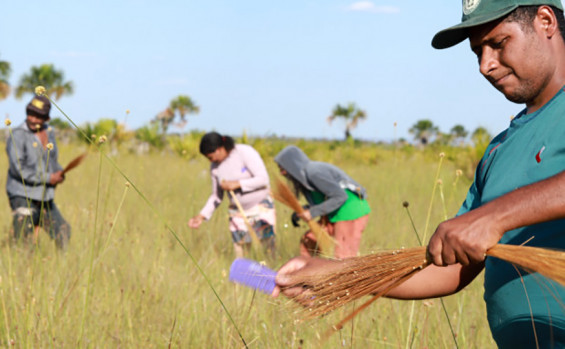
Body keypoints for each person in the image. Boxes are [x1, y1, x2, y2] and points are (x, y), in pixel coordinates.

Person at [273, 1, 565, 347]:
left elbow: (485, 224)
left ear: (545, 21)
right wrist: (342, 274)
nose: (486, 65)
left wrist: (494, 217)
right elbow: (452, 265)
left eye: (498, 43)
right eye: (477, 52)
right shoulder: (499, 151)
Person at [188, 132, 276, 258]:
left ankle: (271, 275)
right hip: (237, 213)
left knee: (267, 249)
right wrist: (201, 216)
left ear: (219, 149)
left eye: (211, 157)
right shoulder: (215, 168)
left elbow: (263, 180)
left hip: (260, 206)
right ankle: (242, 277)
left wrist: (237, 184)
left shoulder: (244, 152)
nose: (210, 161)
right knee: (241, 251)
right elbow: (216, 196)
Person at [274, 145, 371, 259]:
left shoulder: (314, 172)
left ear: (292, 165)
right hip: (334, 213)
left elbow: (340, 196)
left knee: (343, 258)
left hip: (349, 212)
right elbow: (322, 199)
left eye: (282, 169)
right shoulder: (304, 177)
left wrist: (311, 213)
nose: (281, 173)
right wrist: (302, 211)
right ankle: (311, 274)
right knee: (308, 242)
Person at [6, 94, 70, 249]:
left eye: (38, 116)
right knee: (24, 241)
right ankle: (19, 268)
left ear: (46, 118)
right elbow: (19, 169)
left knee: (63, 231)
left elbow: (52, 161)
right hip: (22, 194)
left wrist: (59, 173)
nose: (33, 119)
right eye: (30, 114)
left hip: (44, 196)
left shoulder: (49, 133)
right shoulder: (17, 135)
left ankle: (61, 269)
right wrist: (49, 178)